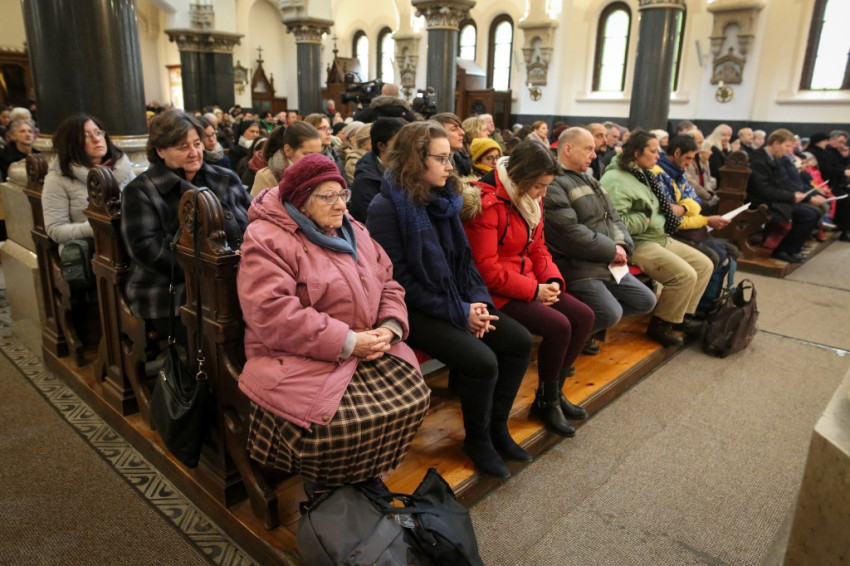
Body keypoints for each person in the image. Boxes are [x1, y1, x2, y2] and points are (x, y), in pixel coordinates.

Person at [236, 153, 429, 490]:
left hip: (363, 346)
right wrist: (349, 341)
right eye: (327, 197)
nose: (341, 205)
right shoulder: (266, 238)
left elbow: (388, 283)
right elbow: (271, 313)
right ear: (302, 202)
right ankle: (328, 492)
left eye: (342, 194)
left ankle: (365, 483)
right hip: (298, 356)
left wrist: (389, 327)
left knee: (414, 397)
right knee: (340, 426)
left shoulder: (354, 230)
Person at [367, 121, 534, 479]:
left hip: (455, 297)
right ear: (415, 159)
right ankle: (478, 440)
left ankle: (497, 428)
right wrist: (461, 311)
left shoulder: (444, 198)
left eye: (451, 158)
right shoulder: (386, 206)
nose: (450, 167)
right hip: (413, 309)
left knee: (519, 341)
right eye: (441, 158)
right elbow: (400, 281)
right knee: (482, 361)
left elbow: (464, 262)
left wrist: (478, 302)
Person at [462, 139, 593, 437]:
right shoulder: (486, 203)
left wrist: (552, 280)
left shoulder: (528, 197)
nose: (542, 194)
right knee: (559, 326)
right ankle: (547, 402)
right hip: (496, 291)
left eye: (546, 187)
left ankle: (552, 392)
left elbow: (538, 247)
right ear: (520, 178)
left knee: (583, 316)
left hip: (528, 280)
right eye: (539, 186)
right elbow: (486, 270)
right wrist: (534, 291)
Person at [121, 109, 251, 343]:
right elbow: (147, 250)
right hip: (170, 289)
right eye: (183, 147)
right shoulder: (141, 191)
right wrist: (214, 273)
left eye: (197, 144)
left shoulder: (225, 176)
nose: (194, 153)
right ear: (160, 150)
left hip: (237, 277)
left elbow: (255, 222)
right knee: (225, 330)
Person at [544, 127, 657, 351]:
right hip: (577, 264)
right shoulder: (553, 182)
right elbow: (569, 233)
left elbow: (614, 217)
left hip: (606, 259)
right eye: (588, 149)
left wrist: (621, 245)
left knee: (646, 301)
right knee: (610, 313)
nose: (594, 155)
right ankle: (565, 342)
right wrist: (612, 250)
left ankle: (583, 331)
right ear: (568, 149)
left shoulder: (589, 178)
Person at [604, 129, 713, 347]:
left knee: (704, 264)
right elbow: (614, 222)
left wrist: (655, 218)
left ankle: (682, 316)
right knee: (684, 275)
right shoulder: (616, 179)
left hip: (657, 235)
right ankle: (662, 323)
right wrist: (645, 219)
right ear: (637, 153)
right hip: (636, 243)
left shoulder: (642, 173)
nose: (658, 155)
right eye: (653, 151)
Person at [43, 114, 135, 247]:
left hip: (129, 239)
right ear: (71, 143)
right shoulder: (58, 177)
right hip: (90, 247)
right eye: (86, 135)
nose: (96, 139)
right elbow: (55, 229)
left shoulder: (123, 168)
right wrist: (97, 226)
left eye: (98, 133)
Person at [747, 128, 825, 263]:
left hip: (775, 199)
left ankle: (791, 249)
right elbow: (763, 190)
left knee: (815, 212)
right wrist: (792, 197)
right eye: (787, 146)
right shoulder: (758, 160)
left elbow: (785, 182)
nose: (789, 150)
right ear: (776, 143)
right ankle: (783, 250)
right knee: (808, 215)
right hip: (762, 202)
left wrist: (803, 196)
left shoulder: (777, 158)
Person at [348, 117, 405, 223]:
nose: (404, 148)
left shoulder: (402, 168)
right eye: (398, 144)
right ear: (381, 146)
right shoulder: (366, 180)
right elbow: (375, 221)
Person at [250, 121, 322, 197]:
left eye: (318, 154)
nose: (315, 159)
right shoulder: (267, 177)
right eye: (308, 154)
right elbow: (258, 204)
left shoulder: (322, 173)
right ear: (288, 150)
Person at [352, 82, 416, 123]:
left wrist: (359, 109)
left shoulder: (374, 109)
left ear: (382, 93)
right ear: (397, 94)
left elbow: (357, 120)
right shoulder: (406, 111)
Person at [431, 113, 472, 177]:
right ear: (439, 133)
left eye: (461, 128)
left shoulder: (461, 162)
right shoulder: (432, 167)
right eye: (454, 129)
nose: (462, 133)